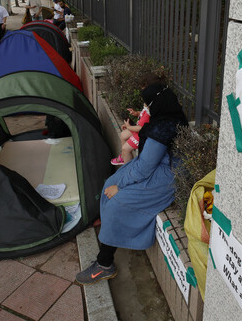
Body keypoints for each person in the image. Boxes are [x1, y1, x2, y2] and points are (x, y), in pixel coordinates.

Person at [75, 82, 188, 285]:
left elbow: (144, 168)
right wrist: (118, 184)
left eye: (147, 105)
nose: (146, 109)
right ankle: (109, 229)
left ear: (157, 103)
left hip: (165, 177)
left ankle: (104, 264)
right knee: (110, 183)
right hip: (157, 167)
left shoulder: (163, 127)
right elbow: (145, 162)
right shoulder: (169, 115)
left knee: (117, 200)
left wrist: (121, 187)